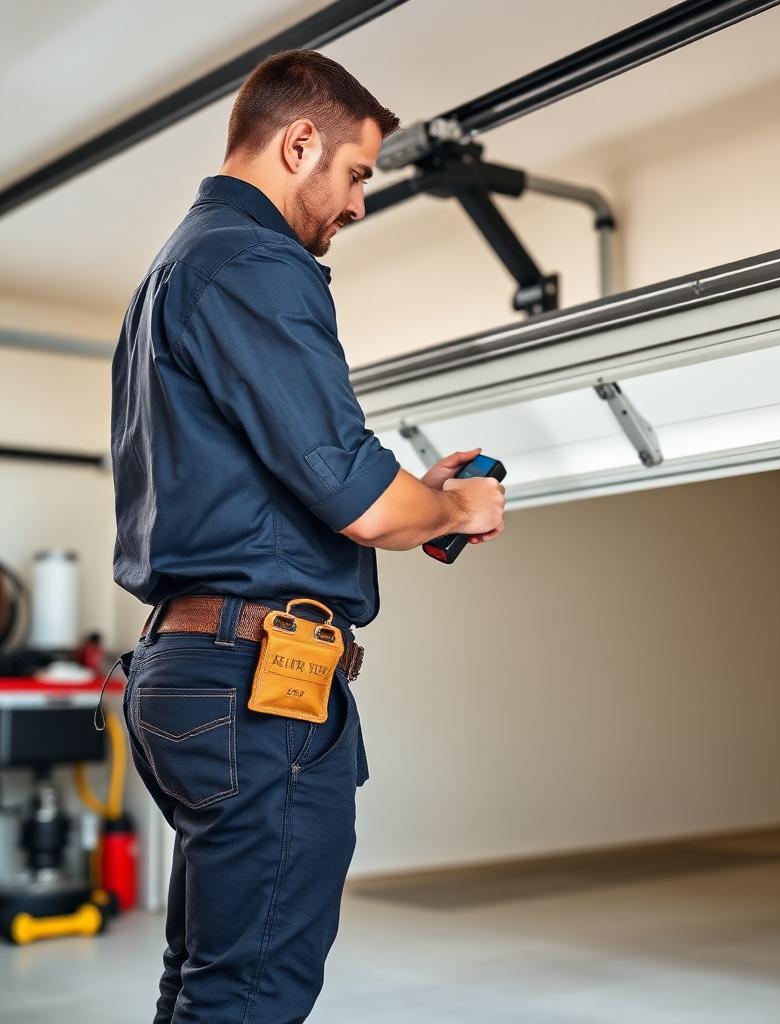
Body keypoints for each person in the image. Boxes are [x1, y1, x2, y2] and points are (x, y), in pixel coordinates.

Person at [109, 49, 505, 1023]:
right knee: (249, 997)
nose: (361, 204)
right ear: (298, 143)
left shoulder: (177, 268)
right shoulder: (254, 261)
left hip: (197, 670)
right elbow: (357, 496)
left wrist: (418, 491)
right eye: (359, 173)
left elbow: (285, 477)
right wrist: (455, 509)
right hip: (254, 685)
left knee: (207, 985)